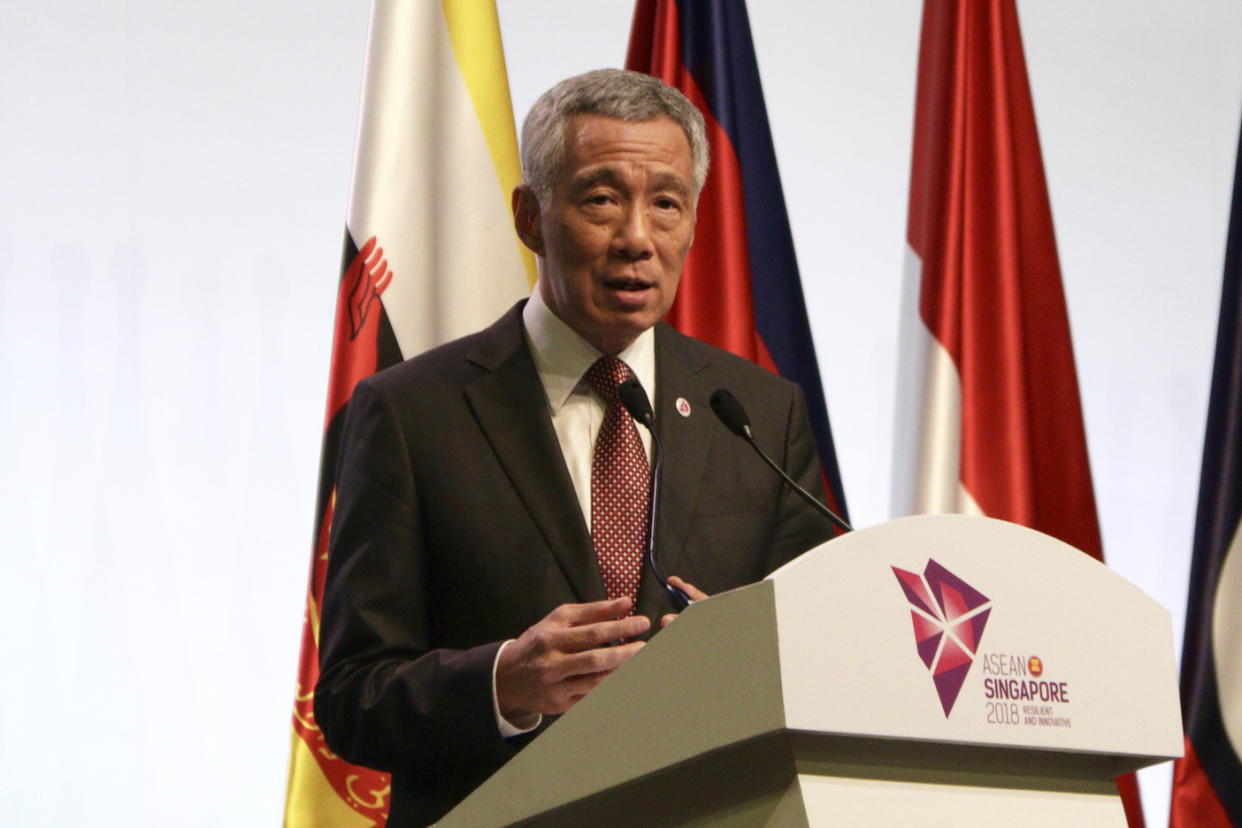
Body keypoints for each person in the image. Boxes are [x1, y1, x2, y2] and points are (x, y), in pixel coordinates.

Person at [314, 68, 834, 826]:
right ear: (531, 217)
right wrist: (503, 683)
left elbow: (816, 654)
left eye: (666, 203)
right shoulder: (410, 412)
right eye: (600, 199)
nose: (636, 239)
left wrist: (736, 667)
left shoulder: (756, 414)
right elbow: (351, 696)